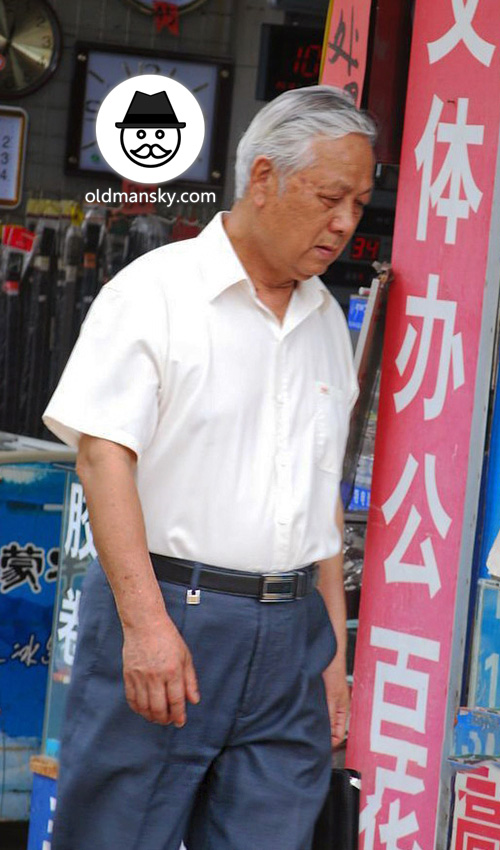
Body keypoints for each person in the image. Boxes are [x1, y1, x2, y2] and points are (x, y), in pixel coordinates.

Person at [43, 85, 376, 850]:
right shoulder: (157, 293)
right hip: (174, 612)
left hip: (293, 633)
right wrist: (146, 625)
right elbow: (102, 457)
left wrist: (332, 655)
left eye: (358, 202)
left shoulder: (327, 322)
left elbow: (321, 499)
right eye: (330, 197)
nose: (345, 223)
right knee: (119, 835)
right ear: (263, 178)